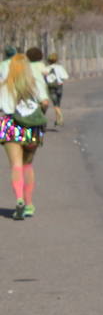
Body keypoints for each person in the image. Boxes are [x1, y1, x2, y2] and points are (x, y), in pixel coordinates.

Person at [0, 51, 50, 220]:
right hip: (32, 126)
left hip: (10, 124)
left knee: (16, 165)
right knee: (27, 165)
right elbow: (45, 102)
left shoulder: (3, 85)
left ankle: (19, 199)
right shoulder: (35, 84)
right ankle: (29, 204)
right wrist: (40, 114)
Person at [44, 52, 68, 128]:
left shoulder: (46, 68)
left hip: (51, 87)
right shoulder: (60, 67)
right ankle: (58, 119)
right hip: (59, 87)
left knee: (55, 104)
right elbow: (65, 77)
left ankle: (60, 118)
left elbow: (44, 78)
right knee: (57, 103)